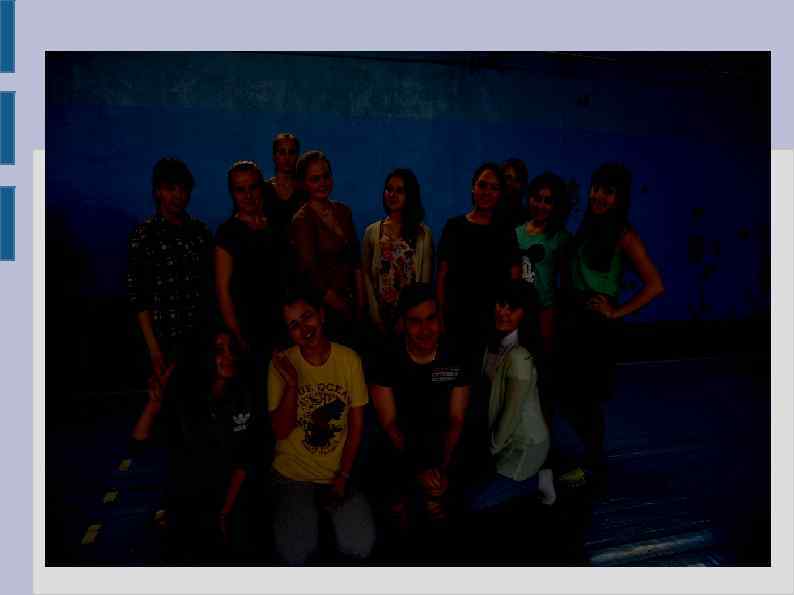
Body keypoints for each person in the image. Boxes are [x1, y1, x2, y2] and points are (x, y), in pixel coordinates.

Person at [558, 162, 664, 485]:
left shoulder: (624, 234)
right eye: (596, 189)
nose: (599, 196)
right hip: (573, 319)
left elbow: (655, 285)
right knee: (569, 395)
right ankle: (592, 457)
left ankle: (592, 464)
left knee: (586, 400)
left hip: (596, 326)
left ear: (620, 198)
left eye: (609, 192)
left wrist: (616, 312)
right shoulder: (588, 226)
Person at [267, 286, 375, 565]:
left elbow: (357, 426)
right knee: (295, 554)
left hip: (338, 472)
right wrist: (292, 383)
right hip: (293, 475)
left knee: (360, 546)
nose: (304, 328)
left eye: (307, 317)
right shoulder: (281, 364)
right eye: (293, 325)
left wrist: (343, 477)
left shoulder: (349, 360)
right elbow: (280, 431)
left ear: (322, 315)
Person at [130, 331, 262, 560]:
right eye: (219, 351)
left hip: (231, 499)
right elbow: (139, 444)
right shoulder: (186, 399)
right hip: (189, 503)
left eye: (231, 349)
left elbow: (245, 460)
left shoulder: (243, 394)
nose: (229, 356)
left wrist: (225, 512)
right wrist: (155, 403)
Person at [369, 283, 471, 526]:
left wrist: (441, 470)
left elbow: (456, 419)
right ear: (403, 323)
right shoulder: (386, 357)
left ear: (439, 318)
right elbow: (389, 424)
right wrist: (419, 470)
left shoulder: (455, 354)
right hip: (403, 442)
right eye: (415, 321)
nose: (425, 330)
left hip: (442, 439)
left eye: (431, 319)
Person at [465, 280, 556, 513]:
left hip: (523, 446)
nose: (503, 312)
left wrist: (490, 451)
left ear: (525, 313)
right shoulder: (492, 343)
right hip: (500, 438)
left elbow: (511, 413)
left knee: (476, 505)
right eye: (500, 304)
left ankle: (540, 480)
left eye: (512, 308)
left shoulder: (520, 356)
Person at [127, 157, 214, 385]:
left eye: (183, 189)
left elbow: (210, 287)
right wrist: (154, 350)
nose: (178, 195)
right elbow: (139, 298)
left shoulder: (200, 232)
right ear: (158, 191)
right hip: (163, 342)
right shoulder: (145, 235)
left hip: (201, 340)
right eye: (170, 189)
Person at [436, 162, 521, 358]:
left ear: (500, 194)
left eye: (494, 188)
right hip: (456, 321)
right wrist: (439, 317)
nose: (486, 192)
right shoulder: (454, 227)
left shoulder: (506, 231)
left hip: (494, 324)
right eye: (482, 185)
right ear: (473, 188)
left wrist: (508, 321)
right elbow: (442, 276)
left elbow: (514, 279)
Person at [215, 160, 285, 386]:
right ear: (232, 193)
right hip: (248, 329)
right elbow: (223, 289)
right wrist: (237, 334)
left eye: (253, 187)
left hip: (280, 324)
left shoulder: (276, 226)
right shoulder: (227, 233)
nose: (248, 195)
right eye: (240, 189)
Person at [289, 150, 365, 344]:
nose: (322, 183)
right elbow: (311, 275)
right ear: (304, 183)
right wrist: (343, 307)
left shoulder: (344, 211)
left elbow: (356, 261)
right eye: (315, 179)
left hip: (352, 301)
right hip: (324, 309)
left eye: (326, 176)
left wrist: (361, 304)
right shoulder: (302, 220)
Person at [362, 168, 433, 337]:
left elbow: (424, 282)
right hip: (380, 317)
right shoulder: (372, 232)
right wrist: (375, 314)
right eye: (389, 189)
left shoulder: (423, 234)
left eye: (399, 191)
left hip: (412, 318)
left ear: (410, 195)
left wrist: (408, 317)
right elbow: (366, 275)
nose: (392, 195)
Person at [516, 171, 572, 355]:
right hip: (517, 309)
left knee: (543, 358)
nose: (541, 205)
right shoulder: (516, 233)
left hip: (545, 311)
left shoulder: (561, 237)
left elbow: (567, 282)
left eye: (548, 201)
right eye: (537, 198)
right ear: (529, 198)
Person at [265, 132, 304, 236]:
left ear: (297, 156)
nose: (287, 158)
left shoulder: (305, 190)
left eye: (291, 152)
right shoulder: (263, 190)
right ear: (274, 156)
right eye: (282, 152)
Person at [499, 158, 529, 229]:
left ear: (523, 185)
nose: (511, 183)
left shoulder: (528, 219)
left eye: (517, 179)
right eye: (508, 177)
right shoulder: (486, 213)